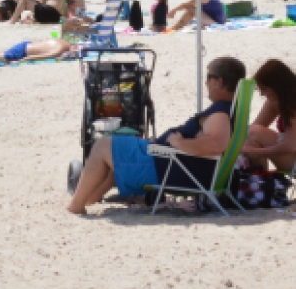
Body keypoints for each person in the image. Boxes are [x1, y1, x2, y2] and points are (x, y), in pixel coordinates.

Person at [68, 57, 246, 214]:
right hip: (171, 164)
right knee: (115, 154)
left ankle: (76, 205)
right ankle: (88, 199)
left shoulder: (220, 114)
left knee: (103, 145)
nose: (206, 83)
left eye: (208, 77)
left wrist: (178, 143)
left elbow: (216, 144)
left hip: (168, 168)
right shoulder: (228, 111)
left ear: (219, 82)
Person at [242, 59, 296, 172]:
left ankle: (259, 183)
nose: (262, 94)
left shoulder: (292, 102)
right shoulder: (277, 100)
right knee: (252, 133)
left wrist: (255, 152)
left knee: (255, 134)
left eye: (265, 89)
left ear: (277, 86)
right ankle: (259, 180)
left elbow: (291, 146)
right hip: (291, 154)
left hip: (292, 153)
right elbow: (254, 127)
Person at [0, 36, 75, 63]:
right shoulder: (59, 50)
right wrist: (23, 60)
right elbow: (41, 56)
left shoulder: (63, 41)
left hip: (26, 45)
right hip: (24, 51)